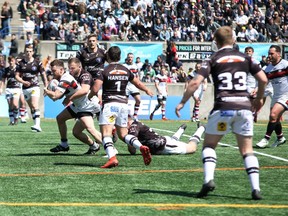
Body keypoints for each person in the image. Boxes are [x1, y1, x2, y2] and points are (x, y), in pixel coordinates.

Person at [175, 26, 268, 200]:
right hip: (244, 109)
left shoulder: (213, 58)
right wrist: (259, 99)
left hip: (223, 109)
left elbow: (195, 83)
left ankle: (208, 180)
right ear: (233, 40)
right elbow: (263, 79)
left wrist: (182, 102)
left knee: (209, 146)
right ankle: (256, 189)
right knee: (247, 150)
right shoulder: (245, 57)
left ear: (215, 42)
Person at [88, 46, 154, 168]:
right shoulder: (126, 70)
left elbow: (96, 88)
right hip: (123, 105)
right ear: (119, 57)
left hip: (110, 104)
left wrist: (89, 96)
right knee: (123, 134)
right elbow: (138, 83)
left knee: (106, 134)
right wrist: (147, 89)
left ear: (108, 57)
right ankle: (141, 147)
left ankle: (112, 158)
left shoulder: (105, 70)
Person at [45, 58, 102, 155]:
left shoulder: (65, 79)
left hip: (86, 105)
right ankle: (91, 146)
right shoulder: (64, 78)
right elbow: (58, 97)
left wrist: (47, 91)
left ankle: (110, 146)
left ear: (61, 70)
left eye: (54, 71)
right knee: (65, 122)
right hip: (78, 104)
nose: (52, 73)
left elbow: (56, 96)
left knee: (90, 129)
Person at [256, 45, 288, 148]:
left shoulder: (285, 65)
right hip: (276, 96)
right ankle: (280, 138)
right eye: (269, 53)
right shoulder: (268, 68)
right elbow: (263, 82)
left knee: (273, 115)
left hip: (286, 95)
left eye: (272, 53)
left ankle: (266, 139)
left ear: (278, 54)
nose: (269, 55)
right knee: (275, 118)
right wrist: (255, 90)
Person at [15, 45, 48, 132]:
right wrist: (23, 82)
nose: (29, 53)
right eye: (27, 51)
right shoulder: (21, 63)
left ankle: (37, 125)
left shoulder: (38, 63)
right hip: (25, 88)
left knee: (34, 104)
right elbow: (16, 76)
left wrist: (46, 86)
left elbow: (43, 75)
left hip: (35, 86)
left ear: (33, 52)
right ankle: (36, 125)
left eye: (30, 51)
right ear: (24, 52)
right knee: (31, 108)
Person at [127, 119, 206, 155]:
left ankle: (201, 128)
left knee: (192, 148)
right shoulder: (135, 124)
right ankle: (180, 130)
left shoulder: (133, 126)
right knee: (173, 141)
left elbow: (132, 151)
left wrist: (128, 140)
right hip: (163, 141)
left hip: (164, 145)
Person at [0, 56, 21, 125]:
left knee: (15, 104)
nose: (11, 62)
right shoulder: (6, 70)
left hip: (16, 88)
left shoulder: (18, 69)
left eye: (12, 61)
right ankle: (12, 120)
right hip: (8, 89)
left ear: (14, 61)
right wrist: (1, 88)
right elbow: (3, 80)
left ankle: (16, 117)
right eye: (9, 61)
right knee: (10, 105)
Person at [123, 53, 141, 121]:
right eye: (129, 57)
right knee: (125, 102)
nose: (130, 58)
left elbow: (137, 75)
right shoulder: (124, 66)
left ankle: (135, 115)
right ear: (127, 58)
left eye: (131, 57)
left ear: (133, 58)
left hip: (133, 86)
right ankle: (126, 115)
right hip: (126, 86)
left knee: (138, 100)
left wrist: (138, 83)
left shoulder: (135, 66)